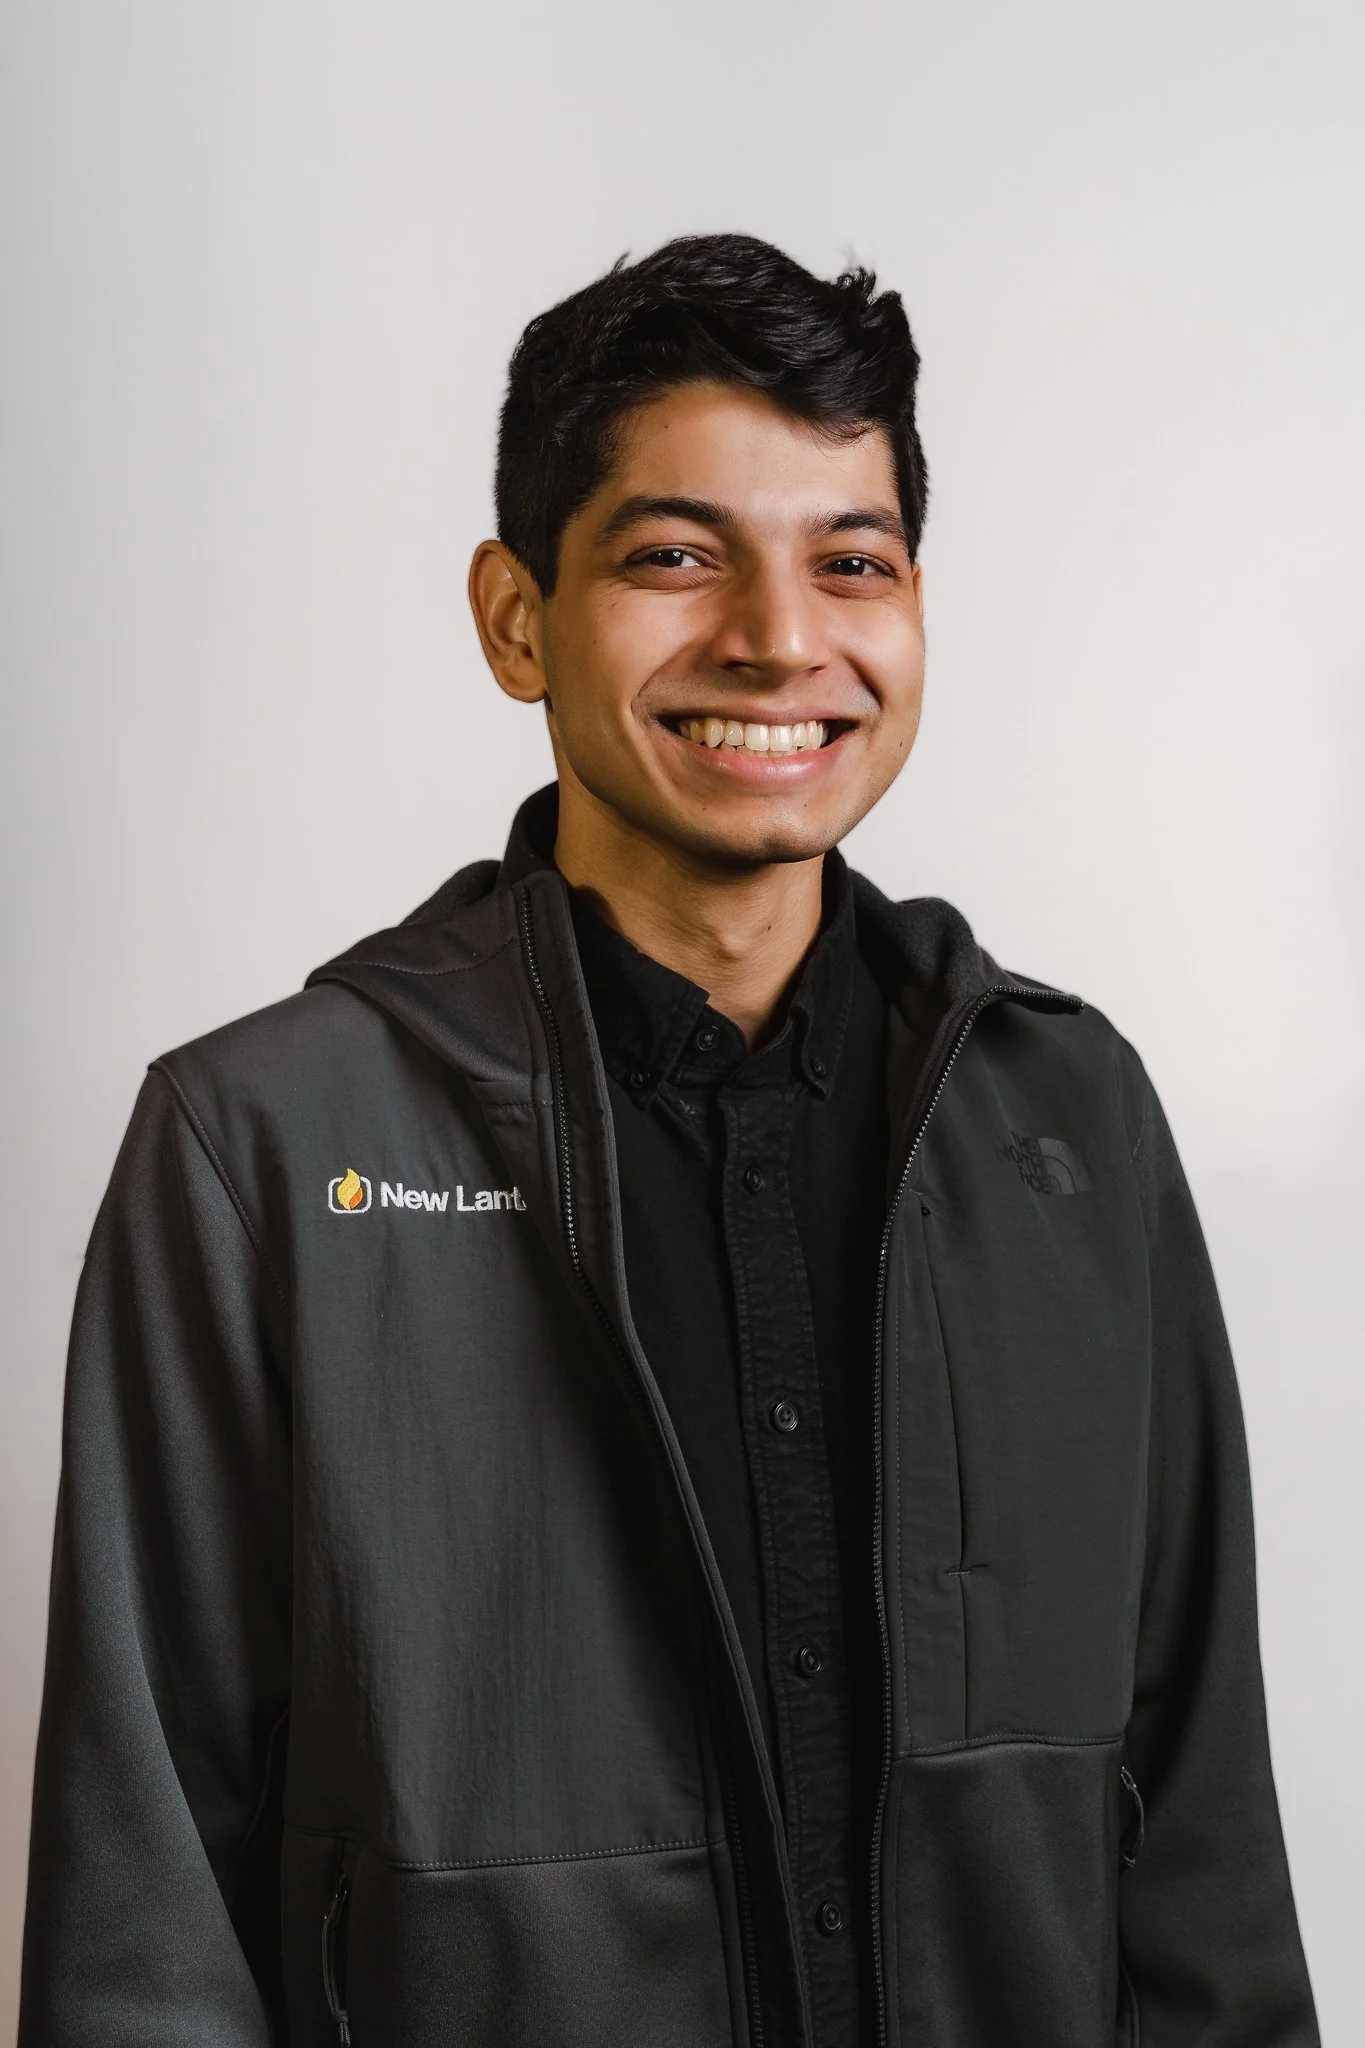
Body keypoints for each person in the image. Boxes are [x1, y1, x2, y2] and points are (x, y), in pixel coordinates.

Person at [20, 234, 1319, 2048]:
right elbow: (139, 1921)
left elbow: (1203, 1842)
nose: (781, 638)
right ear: (516, 617)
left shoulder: (1071, 1122)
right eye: (677, 556)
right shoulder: (265, 1149)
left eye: (851, 561)